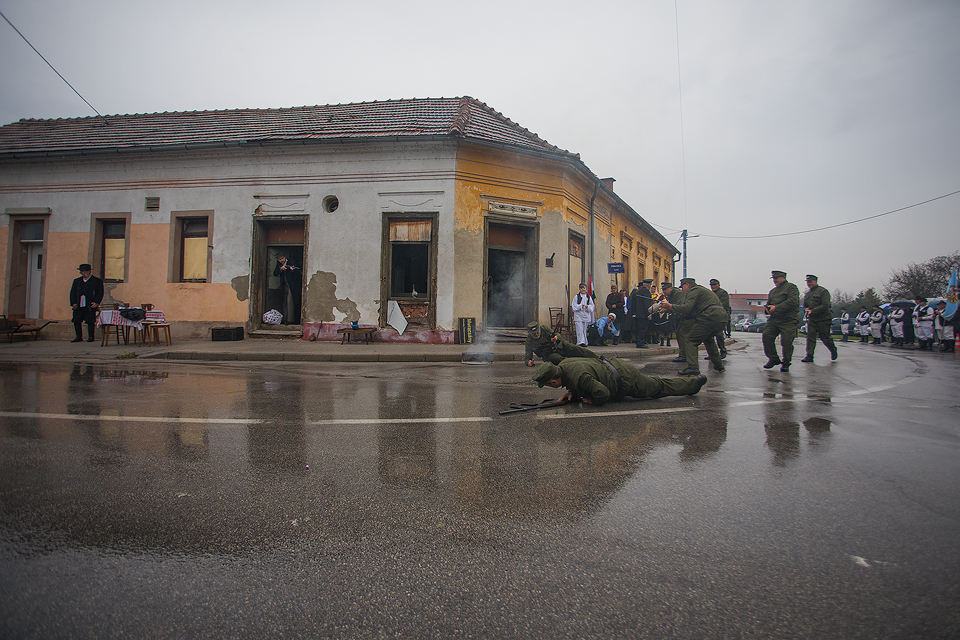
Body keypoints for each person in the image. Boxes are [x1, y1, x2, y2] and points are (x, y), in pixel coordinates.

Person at [532, 357, 707, 406]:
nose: (550, 387)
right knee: (657, 385)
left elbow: (603, 393)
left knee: (658, 387)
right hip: (614, 367)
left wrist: (592, 400)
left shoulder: (579, 377)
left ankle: (694, 384)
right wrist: (573, 393)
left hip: (625, 379)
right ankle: (692, 383)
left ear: (554, 380)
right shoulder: (565, 365)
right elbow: (580, 378)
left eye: (548, 384)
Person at [658, 277, 726, 375]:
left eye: (683, 287)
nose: (682, 290)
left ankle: (693, 368)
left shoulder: (693, 291)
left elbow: (687, 307)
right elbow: (691, 311)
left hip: (709, 317)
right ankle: (719, 365)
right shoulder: (702, 290)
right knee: (708, 339)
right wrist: (670, 309)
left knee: (690, 340)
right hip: (721, 318)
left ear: (687, 285)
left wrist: (670, 306)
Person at [761, 270, 800, 372]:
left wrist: (776, 307)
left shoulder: (791, 287)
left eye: (776, 278)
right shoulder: (773, 291)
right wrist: (767, 310)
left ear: (783, 277)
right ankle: (773, 358)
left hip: (788, 319)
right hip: (774, 319)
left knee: (786, 341)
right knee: (766, 335)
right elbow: (768, 304)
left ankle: (786, 362)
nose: (775, 280)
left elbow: (792, 301)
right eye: (773, 278)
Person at [800, 275, 837, 362]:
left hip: (823, 318)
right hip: (812, 319)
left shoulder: (823, 291)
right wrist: (806, 310)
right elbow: (805, 306)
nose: (809, 283)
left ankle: (833, 349)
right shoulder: (808, 293)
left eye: (811, 281)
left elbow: (825, 305)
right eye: (808, 282)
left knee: (825, 337)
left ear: (815, 281)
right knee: (810, 337)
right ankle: (809, 355)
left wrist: (813, 310)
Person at [524, 322, 596, 366]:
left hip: (558, 346)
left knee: (575, 348)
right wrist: (529, 362)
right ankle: (580, 364)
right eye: (534, 334)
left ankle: (597, 358)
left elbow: (556, 334)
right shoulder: (529, 342)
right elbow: (527, 356)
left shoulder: (544, 328)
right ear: (529, 332)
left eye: (537, 332)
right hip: (548, 354)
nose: (536, 334)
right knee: (559, 359)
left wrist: (556, 338)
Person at [69, 263, 104, 343]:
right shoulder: (77, 281)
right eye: (81, 271)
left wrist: (96, 302)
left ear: (89, 272)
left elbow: (100, 293)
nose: (82, 273)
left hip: (90, 304)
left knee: (90, 320)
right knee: (77, 320)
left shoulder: (96, 281)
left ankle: (91, 336)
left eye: (84, 271)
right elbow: (72, 293)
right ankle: (78, 336)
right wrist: (73, 303)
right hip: (79, 303)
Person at [273, 253, 302, 325]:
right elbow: (275, 273)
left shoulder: (292, 262)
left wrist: (293, 270)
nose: (281, 260)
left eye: (282, 258)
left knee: (291, 302)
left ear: (285, 257)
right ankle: (285, 319)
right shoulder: (279, 264)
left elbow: (299, 272)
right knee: (285, 302)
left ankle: (291, 320)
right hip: (284, 285)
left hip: (292, 286)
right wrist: (280, 269)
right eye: (279, 259)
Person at [705, 278, 730, 359]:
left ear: (718, 285)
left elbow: (723, 305)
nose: (713, 286)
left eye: (715, 285)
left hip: (720, 316)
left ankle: (723, 350)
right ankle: (712, 353)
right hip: (711, 316)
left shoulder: (722, 293)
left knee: (719, 334)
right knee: (709, 335)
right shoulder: (710, 294)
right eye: (712, 285)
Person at [629, 279, 654, 349]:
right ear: (649, 285)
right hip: (643, 314)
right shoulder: (646, 292)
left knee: (638, 329)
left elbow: (633, 303)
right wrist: (649, 314)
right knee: (643, 329)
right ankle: (641, 343)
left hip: (637, 314)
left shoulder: (638, 292)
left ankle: (638, 342)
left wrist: (634, 313)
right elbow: (646, 304)